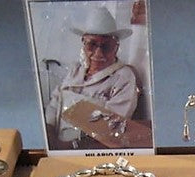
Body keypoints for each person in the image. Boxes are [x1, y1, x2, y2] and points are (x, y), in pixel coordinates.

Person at [44, 5, 139, 149]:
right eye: (92, 45)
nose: (98, 53)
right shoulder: (75, 70)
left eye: (106, 46)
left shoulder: (124, 77)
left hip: (89, 150)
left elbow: (113, 128)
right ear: (83, 45)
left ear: (116, 48)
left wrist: (70, 146)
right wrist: (50, 140)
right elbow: (53, 105)